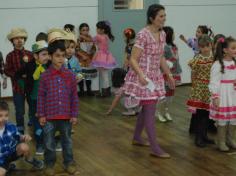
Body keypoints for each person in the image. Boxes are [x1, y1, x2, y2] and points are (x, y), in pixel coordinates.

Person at [123, 4, 175, 158]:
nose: (163, 19)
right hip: (143, 77)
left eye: (164, 16)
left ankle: (137, 137)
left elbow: (160, 57)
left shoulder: (163, 34)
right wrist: (140, 75)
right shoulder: (143, 34)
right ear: (152, 18)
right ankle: (155, 148)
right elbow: (132, 59)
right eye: (161, 16)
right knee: (150, 110)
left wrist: (169, 75)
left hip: (155, 76)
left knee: (146, 109)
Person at [37, 39, 79, 176]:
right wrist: (41, 115)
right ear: (50, 56)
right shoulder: (44, 76)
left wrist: (74, 114)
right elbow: (41, 97)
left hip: (66, 116)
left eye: (63, 55)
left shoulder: (70, 76)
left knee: (67, 142)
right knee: (49, 143)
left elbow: (74, 97)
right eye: (57, 55)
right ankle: (49, 164)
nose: (61, 59)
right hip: (49, 117)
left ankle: (69, 163)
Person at [0, 101, 43, 176]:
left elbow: (18, 136)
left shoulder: (11, 126)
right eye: (0, 116)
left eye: (6, 115)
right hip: (1, 159)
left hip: (11, 153)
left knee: (24, 147)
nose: (4, 118)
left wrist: (24, 137)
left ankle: (31, 160)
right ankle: (7, 167)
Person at [187, 34, 215, 147]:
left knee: (207, 114)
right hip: (200, 88)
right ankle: (198, 137)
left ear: (211, 45)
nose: (204, 49)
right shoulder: (197, 59)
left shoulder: (214, 58)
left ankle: (204, 136)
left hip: (210, 88)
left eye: (206, 46)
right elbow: (193, 73)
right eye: (202, 47)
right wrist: (194, 85)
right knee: (200, 114)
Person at [4, 28, 34, 134]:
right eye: (16, 38)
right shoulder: (10, 56)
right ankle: (20, 128)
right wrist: (17, 75)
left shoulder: (30, 54)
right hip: (17, 87)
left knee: (33, 105)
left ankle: (33, 121)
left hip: (31, 86)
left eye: (21, 38)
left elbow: (34, 68)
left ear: (24, 39)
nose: (19, 40)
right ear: (12, 41)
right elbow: (7, 70)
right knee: (20, 109)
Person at [209, 37, 236, 152]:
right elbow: (214, 81)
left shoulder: (235, 61)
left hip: (233, 93)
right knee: (223, 119)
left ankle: (230, 139)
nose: (235, 50)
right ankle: (221, 141)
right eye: (233, 48)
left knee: (234, 119)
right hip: (223, 94)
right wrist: (215, 96)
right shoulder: (218, 64)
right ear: (225, 50)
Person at [80, 21, 116, 97]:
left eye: (97, 28)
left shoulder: (99, 36)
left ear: (102, 30)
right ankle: (106, 91)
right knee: (104, 75)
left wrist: (83, 37)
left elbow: (91, 40)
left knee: (104, 75)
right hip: (106, 56)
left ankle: (105, 92)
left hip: (101, 56)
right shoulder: (106, 36)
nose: (96, 29)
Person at [157, 26, 182, 122]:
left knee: (171, 95)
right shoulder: (163, 47)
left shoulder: (174, 46)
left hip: (174, 73)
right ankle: (159, 112)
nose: (174, 35)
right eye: (173, 33)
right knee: (163, 95)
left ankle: (167, 111)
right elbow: (161, 61)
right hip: (166, 74)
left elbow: (176, 59)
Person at [77, 23, 97, 96]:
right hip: (81, 60)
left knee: (88, 76)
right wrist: (82, 55)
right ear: (80, 31)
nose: (85, 32)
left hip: (89, 59)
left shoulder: (90, 38)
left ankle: (89, 90)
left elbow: (94, 48)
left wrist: (92, 52)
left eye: (87, 30)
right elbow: (76, 49)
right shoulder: (79, 39)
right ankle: (81, 91)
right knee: (81, 76)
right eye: (83, 30)